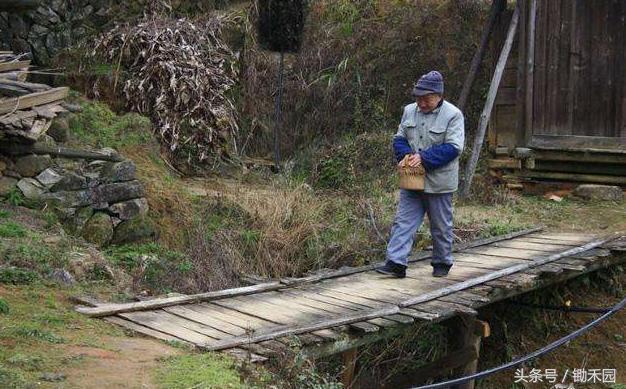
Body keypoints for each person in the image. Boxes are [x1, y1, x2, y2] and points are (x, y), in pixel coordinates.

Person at [377, 70, 465, 278]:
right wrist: (406, 155)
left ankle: (442, 262)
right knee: (403, 221)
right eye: (418, 98)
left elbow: (454, 148)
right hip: (412, 178)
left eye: (427, 99)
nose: (422, 103)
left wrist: (424, 158)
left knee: (441, 226)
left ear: (439, 96)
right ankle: (396, 263)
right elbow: (399, 138)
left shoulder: (453, 115)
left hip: (439, 182)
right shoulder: (409, 111)